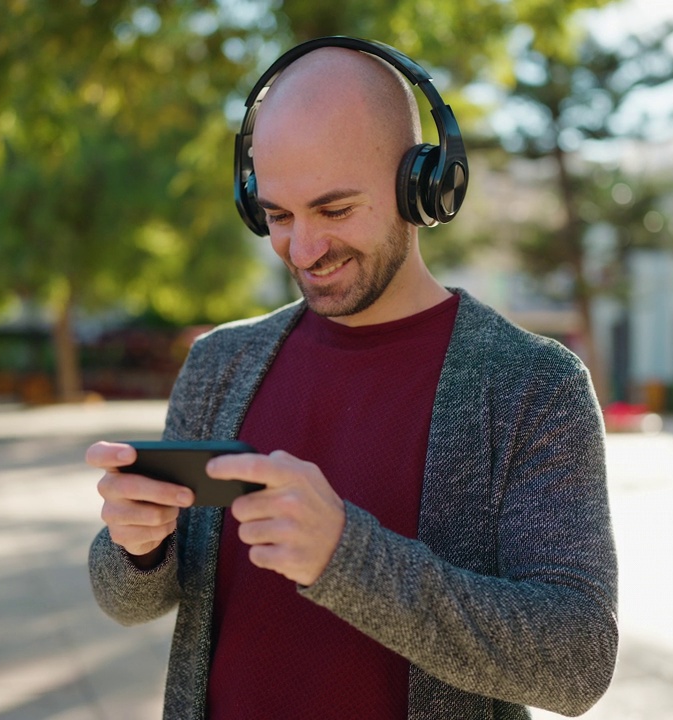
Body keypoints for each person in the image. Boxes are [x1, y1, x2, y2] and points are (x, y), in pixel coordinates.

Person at [86, 37, 617, 720]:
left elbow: (578, 663)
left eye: (335, 210)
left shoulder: (533, 385)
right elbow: (136, 600)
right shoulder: (220, 364)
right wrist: (134, 547)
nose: (303, 249)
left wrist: (347, 556)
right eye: (278, 215)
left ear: (422, 186)